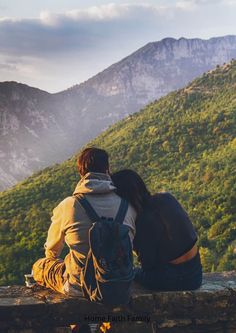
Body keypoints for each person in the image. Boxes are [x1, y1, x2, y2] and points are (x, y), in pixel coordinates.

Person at [32, 148, 136, 296]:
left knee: (39, 266)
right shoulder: (128, 206)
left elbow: (52, 249)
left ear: (81, 172)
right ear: (107, 170)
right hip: (118, 283)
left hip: (79, 286)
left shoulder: (69, 205)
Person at [111, 169, 202, 291]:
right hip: (196, 273)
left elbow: (148, 266)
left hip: (175, 279)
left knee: (130, 273)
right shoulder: (166, 198)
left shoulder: (142, 220)